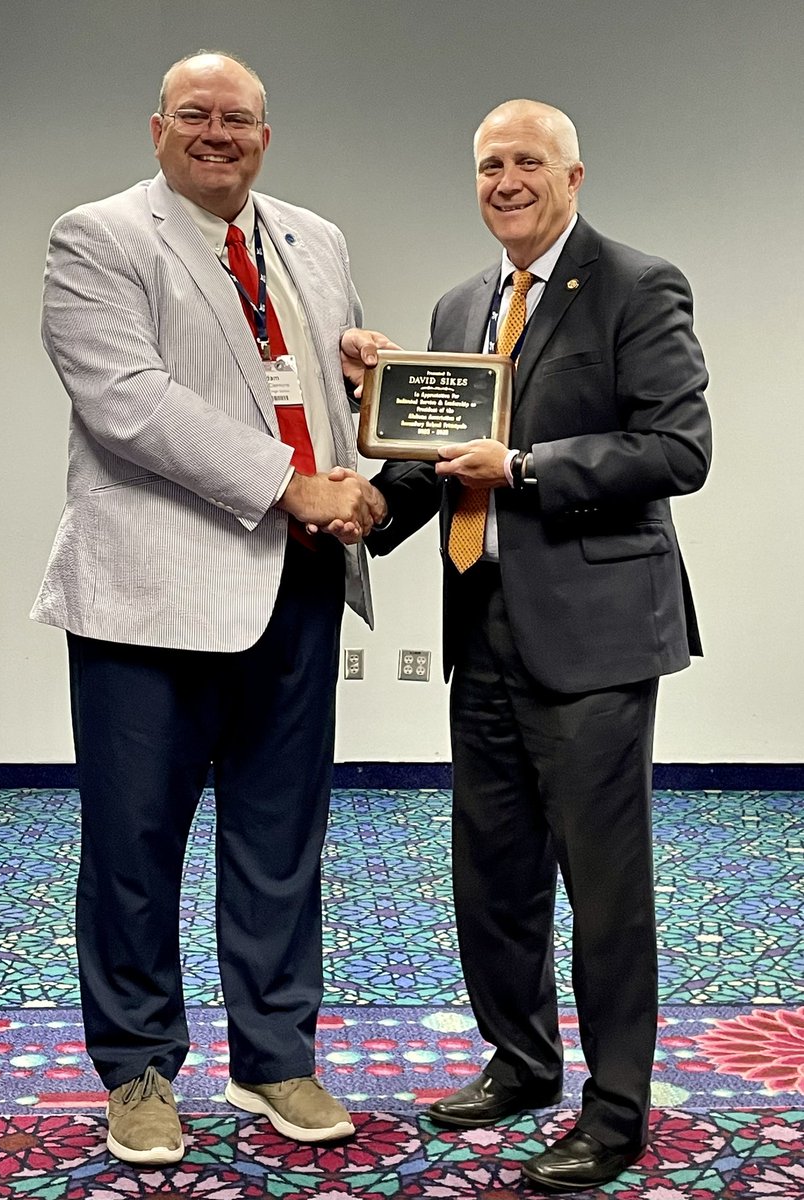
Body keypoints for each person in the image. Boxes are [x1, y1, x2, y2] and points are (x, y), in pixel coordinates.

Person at [32, 50, 390, 1165]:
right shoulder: (98, 238)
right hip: (151, 596)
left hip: (298, 586)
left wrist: (369, 409)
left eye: (239, 118)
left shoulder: (314, 240)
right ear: (158, 129)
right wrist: (292, 484)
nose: (218, 133)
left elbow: (317, 391)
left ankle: (274, 1055)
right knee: (135, 842)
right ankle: (137, 1066)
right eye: (197, 115)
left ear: (265, 137)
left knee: (282, 839)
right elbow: (130, 406)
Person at [367, 99, 711, 1192]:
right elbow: (433, 461)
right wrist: (363, 508)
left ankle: (614, 1115)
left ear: (572, 175)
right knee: (495, 875)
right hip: (483, 628)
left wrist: (523, 469)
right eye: (488, 165)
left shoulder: (636, 284)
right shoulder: (462, 302)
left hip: (597, 637)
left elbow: (677, 447)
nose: (506, 180)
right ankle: (520, 1064)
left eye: (527, 162)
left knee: (605, 889)